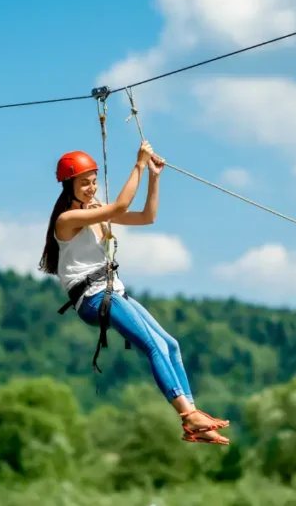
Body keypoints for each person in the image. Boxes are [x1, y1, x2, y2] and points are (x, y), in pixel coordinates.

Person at [38, 141, 230, 445]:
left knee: (171, 345)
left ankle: (192, 416)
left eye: (93, 181)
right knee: (153, 345)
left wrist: (153, 176)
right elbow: (120, 207)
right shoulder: (67, 220)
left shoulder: (96, 212)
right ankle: (187, 415)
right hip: (93, 298)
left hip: (112, 291)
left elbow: (146, 217)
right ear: (68, 186)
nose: (90, 188)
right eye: (83, 183)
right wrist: (138, 164)